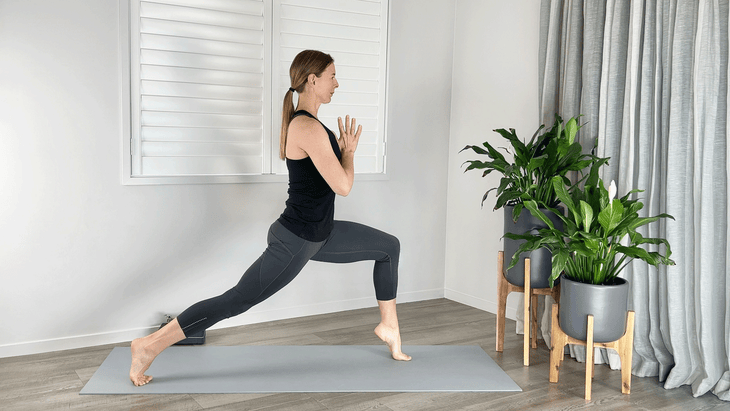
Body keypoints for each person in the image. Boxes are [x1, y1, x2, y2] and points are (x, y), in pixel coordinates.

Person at [129, 49, 411, 387]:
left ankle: (389, 327)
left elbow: (333, 185)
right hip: (296, 240)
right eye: (332, 76)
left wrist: (343, 151)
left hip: (321, 234)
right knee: (236, 300)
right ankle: (148, 346)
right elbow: (344, 186)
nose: (337, 83)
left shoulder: (314, 126)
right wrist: (349, 153)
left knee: (388, 247)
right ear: (312, 79)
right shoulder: (306, 127)